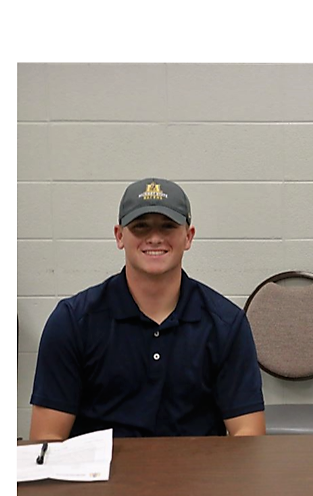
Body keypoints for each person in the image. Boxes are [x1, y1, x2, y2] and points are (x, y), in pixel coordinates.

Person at [29, 178, 266, 440]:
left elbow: (248, 436)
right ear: (119, 236)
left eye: (168, 226)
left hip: (198, 477)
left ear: (188, 237)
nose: (154, 238)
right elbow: (47, 440)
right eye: (140, 227)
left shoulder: (226, 324)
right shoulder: (73, 321)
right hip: (100, 477)